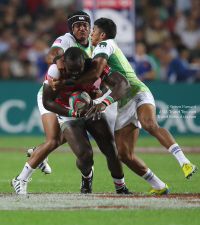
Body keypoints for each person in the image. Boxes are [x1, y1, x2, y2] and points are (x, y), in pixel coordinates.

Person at [53, 18, 197, 194]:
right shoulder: (101, 50)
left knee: (150, 124)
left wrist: (65, 83)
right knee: (123, 154)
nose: (91, 34)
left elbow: (97, 72)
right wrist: (100, 91)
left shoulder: (104, 45)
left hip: (137, 91)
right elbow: (107, 77)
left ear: (102, 34)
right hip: (123, 101)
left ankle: (184, 161)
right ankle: (159, 185)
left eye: (94, 31)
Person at [11, 47, 131, 195]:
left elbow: (123, 84)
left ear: (84, 63)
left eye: (78, 69)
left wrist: (103, 98)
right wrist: (72, 112)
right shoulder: (55, 70)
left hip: (91, 107)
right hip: (66, 110)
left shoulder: (95, 66)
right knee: (85, 155)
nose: (74, 73)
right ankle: (86, 176)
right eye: (71, 69)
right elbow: (48, 102)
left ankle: (121, 187)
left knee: (111, 149)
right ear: (64, 65)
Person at [22, 11, 107, 176]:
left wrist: (100, 90)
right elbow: (50, 55)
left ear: (90, 28)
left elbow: (101, 72)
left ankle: (39, 152)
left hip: (71, 95)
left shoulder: (95, 44)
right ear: (71, 29)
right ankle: (27, 171)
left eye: (85, 25)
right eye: (77, 26)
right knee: (54, 138)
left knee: (65, 135)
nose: (82, 29)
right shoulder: (67, 39)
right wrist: (57, 59)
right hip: (52, 93)